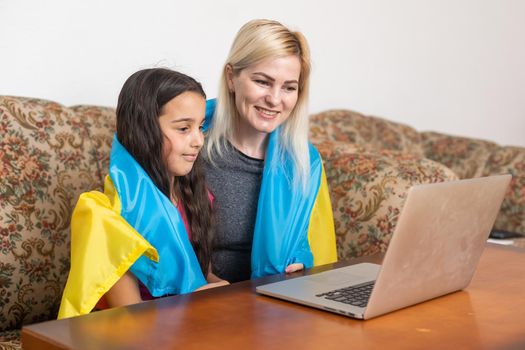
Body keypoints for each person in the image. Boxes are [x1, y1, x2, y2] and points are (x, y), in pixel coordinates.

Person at [58, 68, 227, 319]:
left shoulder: (198, 198)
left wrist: (229, 292)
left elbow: (204, 274)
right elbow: (133, 318)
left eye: (200, 127)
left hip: (191, 323)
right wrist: (200, 298)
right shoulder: (107, 218)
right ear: (144, 130)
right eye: (183, 128)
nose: (199, 140)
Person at [204, 19, 337, 283]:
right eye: (263, 82)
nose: (275, 99)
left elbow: (317, 246)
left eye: (289, 87)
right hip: (200, 303)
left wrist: (303, 264)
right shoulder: (190, 144)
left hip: (274, 305)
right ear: (231, 78)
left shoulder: (304, 161)